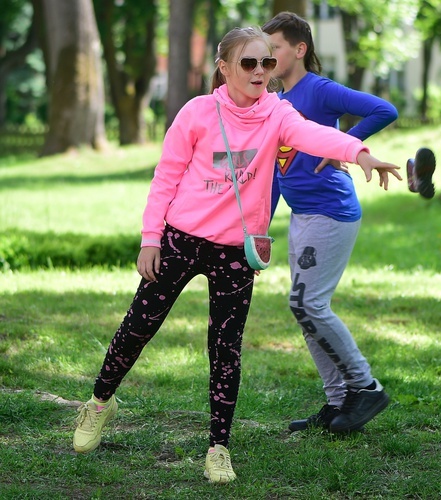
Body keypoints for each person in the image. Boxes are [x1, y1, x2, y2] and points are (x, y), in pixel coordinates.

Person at [72, 26, 401, 484]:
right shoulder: (197, 113)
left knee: (225, 350)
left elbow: (312, 135)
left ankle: (218, 447)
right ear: (224, 68)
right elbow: (165, 177)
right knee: (138, 327)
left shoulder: (278, 114)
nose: (261, 71)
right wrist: (151, 238)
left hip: (235, 251)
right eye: (249, 63)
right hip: (181, 240)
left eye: (267, 62)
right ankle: (98, 404)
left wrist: (359, 151)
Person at [261, 11, 400, 435]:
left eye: (274, 51)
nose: (266, 61)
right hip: (303, 216)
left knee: (308, 304)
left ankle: (366, 388)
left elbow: (384, 108)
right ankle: (339, 402)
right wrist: (259, 228)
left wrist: (346, 144)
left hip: (331, 211)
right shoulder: (275, 102)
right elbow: (273, 172)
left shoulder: (318, 90)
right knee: (303, 308)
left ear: (299, 50)